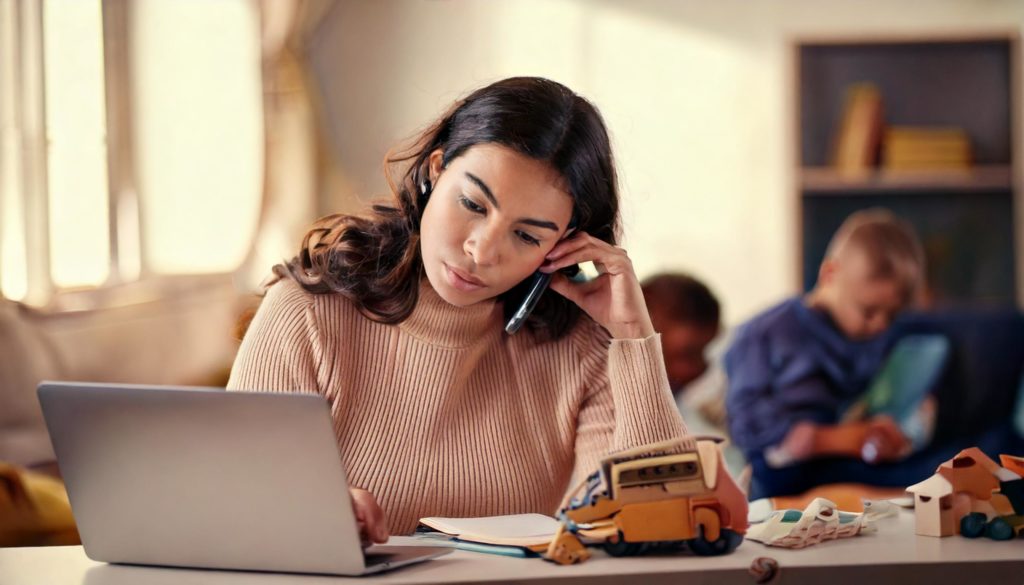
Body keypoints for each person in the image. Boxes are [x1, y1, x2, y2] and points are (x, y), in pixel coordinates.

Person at [227, 77, 690, 545]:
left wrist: (632, 336)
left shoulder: (582, 347)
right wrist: (309, 513)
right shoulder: (306, 313)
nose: (482, 251)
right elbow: (235, 511)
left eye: (528, 236)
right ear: (434, 170)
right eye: (472, 203)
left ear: (565, 245)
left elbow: (661, 535)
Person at [724, 209, 932, 497]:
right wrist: (836, 439)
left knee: (953, 461)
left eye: (892, 315)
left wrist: (888, 430)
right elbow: (746, 424)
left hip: (851, 457)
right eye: (868, 311)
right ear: (830, 274)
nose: (880, 325)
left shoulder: (880, 336)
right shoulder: (765, 332)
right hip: (784, 466)